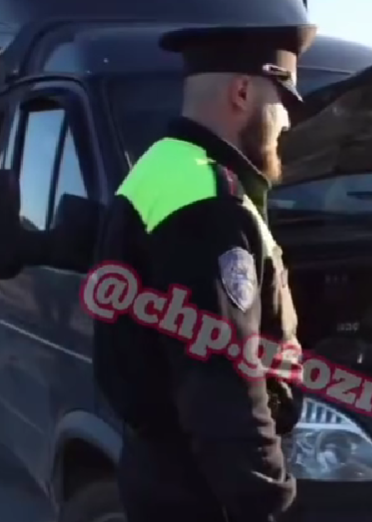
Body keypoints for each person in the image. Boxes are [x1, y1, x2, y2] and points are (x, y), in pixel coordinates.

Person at [91, 21, 317, 522]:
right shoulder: (209, 202)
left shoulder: (161, 167)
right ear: (242, 92)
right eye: (282, 102)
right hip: (205, 487)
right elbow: (222, 378)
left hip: (164, 467)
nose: (286, 123)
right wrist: (267, 498)